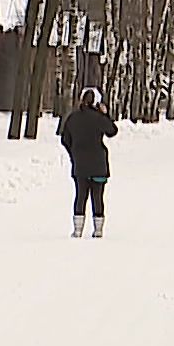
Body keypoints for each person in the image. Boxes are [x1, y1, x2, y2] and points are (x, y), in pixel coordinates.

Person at [59, 86, 118, 237]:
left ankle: (77, 229)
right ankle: (98, 229)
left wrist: (74, 153)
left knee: (80, 196)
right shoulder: (99, 119)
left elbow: (65, 139)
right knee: (98, 197)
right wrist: (105, 114)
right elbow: (112, 131)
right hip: (99, 165)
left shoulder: (73, 118)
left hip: (80, 165)